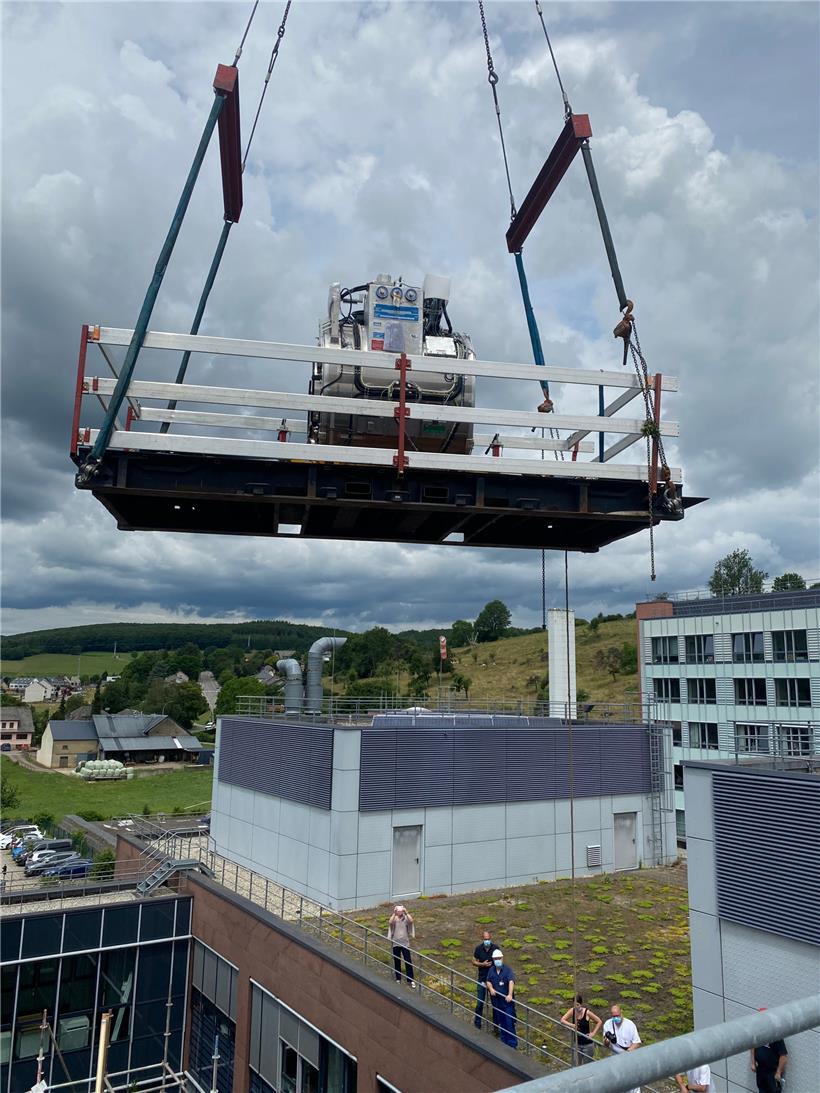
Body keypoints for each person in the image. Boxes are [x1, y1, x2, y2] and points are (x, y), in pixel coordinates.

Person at [602, 1004, 642, 1093]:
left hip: (629, 1058)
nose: (616, 1018)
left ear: (621, 1013)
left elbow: (637, 1042)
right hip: (616, 1060)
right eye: (614, 1016)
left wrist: (627, 1053)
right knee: (619, 1082)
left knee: (633, 1083)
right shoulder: (608, 1024)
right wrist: (607, 1041)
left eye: (617, 1016)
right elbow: (605, 1043)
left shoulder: (630, 1025)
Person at [486, 949, 517, 1049]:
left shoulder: (507, 970)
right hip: (497, 1002)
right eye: (495, 959)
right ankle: (504, 1041)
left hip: (507, 1003)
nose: (497, 960)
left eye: (499, 958)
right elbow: (488, 981)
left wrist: (510, 994)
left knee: (509, 1022)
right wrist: (490, 988)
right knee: (502, 1021)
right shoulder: (491, 970)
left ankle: (512, 1044)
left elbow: (511, 982)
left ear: (502, 958)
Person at [560, 994, 602, 1064]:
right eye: (574, 1005)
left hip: (587, 1045)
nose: (576, 1007)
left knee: (587, 1065)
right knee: (576, 1064)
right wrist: (572, 1025)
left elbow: (599, 1021)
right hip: (576, 1044)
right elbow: (562, 1020)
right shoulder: (572, 1011)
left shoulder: (587, 1012)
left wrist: (593, 1033)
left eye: (578, 1005)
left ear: (581, 1004)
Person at [388, 905, 415, 988]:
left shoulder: (405, 918)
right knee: (397, 960)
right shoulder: (395, 918)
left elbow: (411, 921)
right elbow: (390, 922)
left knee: (408, 961)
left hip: (405, 943)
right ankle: (398, 978)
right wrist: (394, 913)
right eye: (398, 911)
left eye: (401, 911)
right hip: (396, 943)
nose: (400, 913)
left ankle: (410, 979)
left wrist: (406, 912)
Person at [472, 930, 495, 1029]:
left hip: (493, 981)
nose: (487, 941)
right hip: (482, 979)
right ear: (482, 939)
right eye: (485, 939)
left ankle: (496, 1026)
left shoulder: (495, 949)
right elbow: (473, 961)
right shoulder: (478, 949)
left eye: (488, 939)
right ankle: (477, 1023)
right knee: (479, 1003)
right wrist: (482, 964)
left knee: (495, 1005)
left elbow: (500, 960)